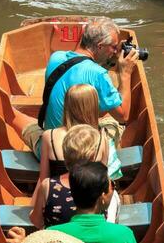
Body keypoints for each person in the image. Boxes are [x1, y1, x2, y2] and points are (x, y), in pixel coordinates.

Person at [13, 18, 139, 160]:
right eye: (114, 47)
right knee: (113, 120)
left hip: (51, 150)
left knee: (19, 119)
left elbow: (82, 63)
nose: (116, 50)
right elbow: (123, 116)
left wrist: (112, 56)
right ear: (99, 46)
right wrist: (125, 74)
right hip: (85, 154)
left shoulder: (55, 57)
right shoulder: (98, 74)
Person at [36, 83, 122, 187]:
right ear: (93, 107)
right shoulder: (101, 138)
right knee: (113, 123)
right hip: (88, 199)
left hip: (58, 195)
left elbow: (44, 178)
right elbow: (101, 180)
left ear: (67, 106)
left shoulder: (49, 136)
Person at [31, 123, 107, 229]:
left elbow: (36, 220)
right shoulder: (102, 184)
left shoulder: (48, 186)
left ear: (65, 155)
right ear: (92, 156)